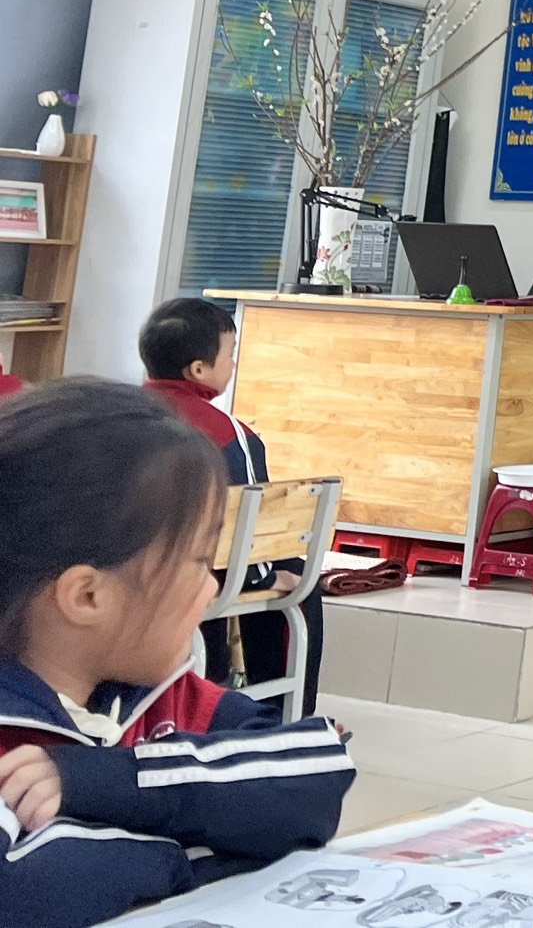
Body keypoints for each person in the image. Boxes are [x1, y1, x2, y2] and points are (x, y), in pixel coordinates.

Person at [0, 380, 352, 926]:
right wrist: (202, 851)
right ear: (88, 596)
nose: (212, 588)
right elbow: (26, 894)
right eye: (199, 560)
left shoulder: (166, 698)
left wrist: (116, 781)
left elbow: (315, 776)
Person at [138, 298, 322, 715]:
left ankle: (215, 679)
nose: (234, 364)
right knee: (294, 577)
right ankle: (283, 716)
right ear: (198, 370)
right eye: (230, 354)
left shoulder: (110, 415)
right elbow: (250, 533)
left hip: (111, 565)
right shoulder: (229, 435)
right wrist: (267, 577)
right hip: (193, 576)